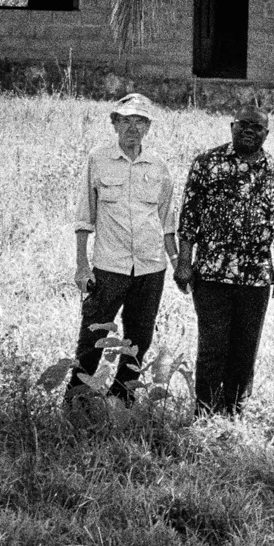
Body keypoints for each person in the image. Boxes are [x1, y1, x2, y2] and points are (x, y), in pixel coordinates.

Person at [175, 101, 274, 414]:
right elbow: (189, 218)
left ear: (266, 133)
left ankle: (234, 410)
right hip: (212, 273)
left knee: (245, 348)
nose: (249, 131)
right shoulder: (207, 163)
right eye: (243, 124)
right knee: (213, 345)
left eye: (256, 127)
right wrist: (184, 264)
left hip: (256, 276)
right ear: (232, 127)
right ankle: (205, 410)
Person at [70, 92, 177, 405]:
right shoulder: (98, 160)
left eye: (141, 120)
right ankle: (77, 402)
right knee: (93, 339)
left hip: (150, 268)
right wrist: (81, 265)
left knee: (139, 340)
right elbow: (84, 217)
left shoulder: (158, 166)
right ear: (114, 123)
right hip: (109, 267)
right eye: (127, 119)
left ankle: (121, 401)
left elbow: (167, 221)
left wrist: (176, 261)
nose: (134, 127)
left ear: (148, 127)